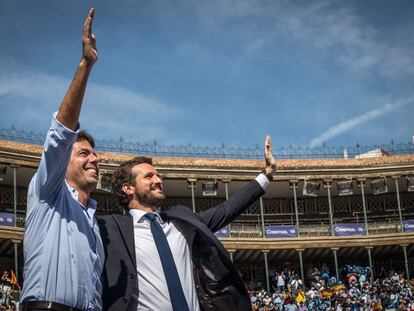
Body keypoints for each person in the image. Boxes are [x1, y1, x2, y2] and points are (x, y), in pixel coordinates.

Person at [97, 136, 277, 311]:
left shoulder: (181, 223)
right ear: (128, 188)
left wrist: (267, 175)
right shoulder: (109, 229)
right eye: (149, 176)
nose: (158, 181)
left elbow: (226, 210)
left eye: (158, 176)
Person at [20, 8, 103, 311]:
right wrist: (86, 64)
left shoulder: (93, 222)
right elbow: (61, 132)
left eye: (95, 154)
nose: (94, 160)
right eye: (84, 153)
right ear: (62, 163)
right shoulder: (47, 193)